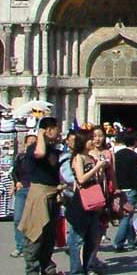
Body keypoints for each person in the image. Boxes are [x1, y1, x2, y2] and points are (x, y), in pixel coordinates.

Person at [19, 118, 63, 275]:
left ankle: (47, 268)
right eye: (56, 128)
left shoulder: (54, 150)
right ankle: (32, 269)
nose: (58, 131)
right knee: (36, 236)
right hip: (39, 197)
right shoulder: (33, 148)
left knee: (49, 238)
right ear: (48, 130)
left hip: (52, 196)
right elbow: (40, 153)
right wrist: (40, 133)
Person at [65, 130, 109, 275]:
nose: (93, 141)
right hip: (81, 201)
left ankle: (88, 266)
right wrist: (96, 167)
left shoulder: (90, 157)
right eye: (90, 139)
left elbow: (97, 178)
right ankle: (76, 270)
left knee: (92, 237)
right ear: (83, 142)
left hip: (94, 199)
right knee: (77, 238)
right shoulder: (78, 158)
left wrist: (100, 166)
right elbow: (81, 179)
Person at [113, 130, 137, 252]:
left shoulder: (117, 154)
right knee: (127, 216)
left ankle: (132, 240)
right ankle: (118, 242)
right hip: (131, 188)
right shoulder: (134, 156)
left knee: (126, 215)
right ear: (136, 143)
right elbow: (136, 175)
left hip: (119, 188)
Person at [9, 133, 35, 259]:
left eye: (34, 142)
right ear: (25, 144)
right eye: (29, 142)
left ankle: (32, 247)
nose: (31, 144)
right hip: (22, 189)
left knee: (33, 221)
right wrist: (17, 182)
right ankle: (20, 246)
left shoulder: (39, 158)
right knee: (18, 219)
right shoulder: (20, 157)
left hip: (35, 191)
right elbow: (14, 172)